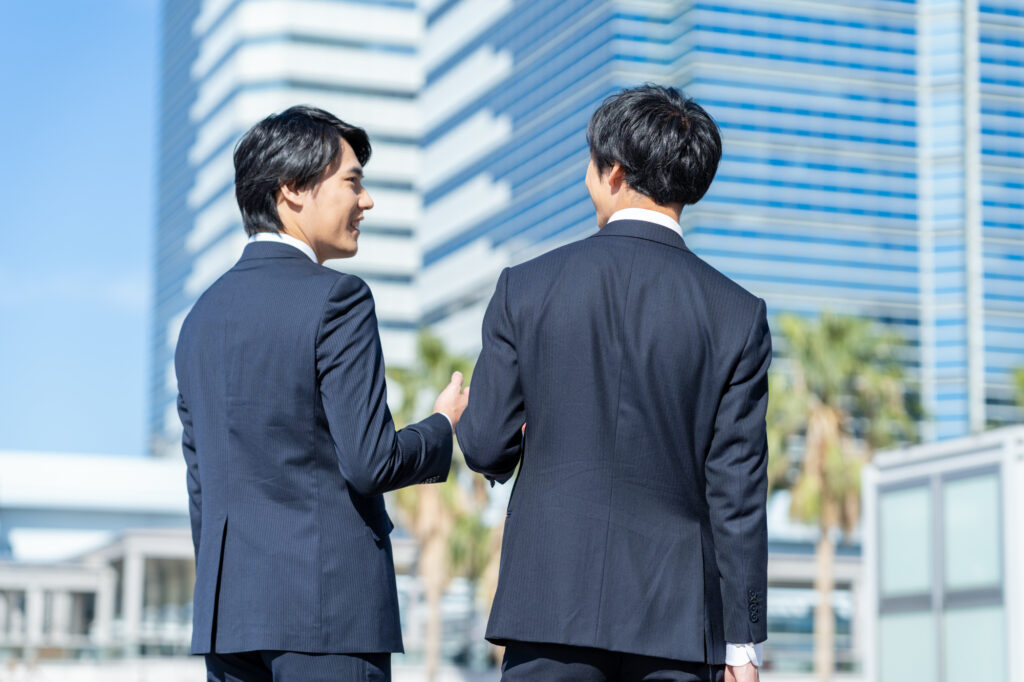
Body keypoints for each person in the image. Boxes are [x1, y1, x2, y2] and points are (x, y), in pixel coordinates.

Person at [456, 85, 771, 682]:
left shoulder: (525, 287)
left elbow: (485, 445)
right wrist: (744, 642)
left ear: (613, 172)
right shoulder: (737, 313)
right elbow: (738, 490)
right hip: (677, 626)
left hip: (548, 608)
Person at [175, 105, 468, 682]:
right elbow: (371, 461)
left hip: (228, 621)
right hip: (328, 614)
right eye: (352, 181)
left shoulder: (199, 320)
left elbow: (201, 490)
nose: (367, 201)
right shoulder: (339, 299)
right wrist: (441, 427)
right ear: (292, 190)